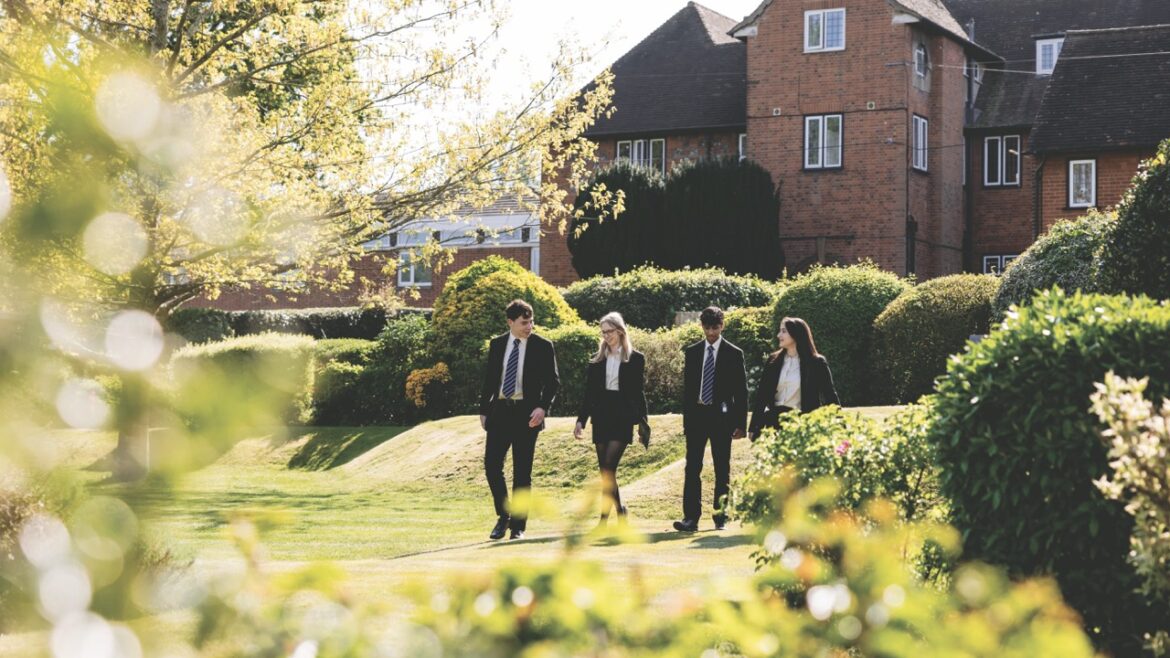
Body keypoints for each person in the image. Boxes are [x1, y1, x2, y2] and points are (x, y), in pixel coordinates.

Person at [478, 299, 560, 541]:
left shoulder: (543, 346)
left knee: (522, 472)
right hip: (500, 412)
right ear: (510, 322)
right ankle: (504, 517)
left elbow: (553, 382)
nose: (529, 326)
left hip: (527, 415)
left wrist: (542, 408)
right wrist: (484, 410)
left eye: (532, 321)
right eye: (524, 322)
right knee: (492, 466)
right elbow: (490, 379)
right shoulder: (497, 344)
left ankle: (518, 527)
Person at [674, 306, 747, 533]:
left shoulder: (734, 353)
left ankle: (720, 516)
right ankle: (690, 518)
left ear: (722, 325)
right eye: (707, 328)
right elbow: (688, 391)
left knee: (721, 468)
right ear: (702, 327)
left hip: (722, 418)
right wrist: (686, 422)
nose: (711, 333)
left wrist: (740, 424)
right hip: (697, 416)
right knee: (692, 467)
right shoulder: (693, 352)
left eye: (715, 327)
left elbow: (741, 392)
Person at [573, 312, 650, 527]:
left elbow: (638, 392)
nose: (606, 336)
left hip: (623, 415)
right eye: (603, 332)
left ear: (620, 330)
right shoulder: (597, 360)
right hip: (601, 414)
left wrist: (643, 421)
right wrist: (581, 420)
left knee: (608, 468)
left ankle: (606, 517)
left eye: (610, 331)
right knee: (605, 471)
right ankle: (618, 512)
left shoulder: (636, 358)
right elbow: (589, 393)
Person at [748, 316, 840, 440]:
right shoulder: (773, 361)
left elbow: (830, 395)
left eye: (783, 331)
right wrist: (754, 426)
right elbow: (762, 395)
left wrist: (840, 426)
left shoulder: (816, 363)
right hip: (774, 424)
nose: (778, 335)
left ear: (796, 334)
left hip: (802, 424)